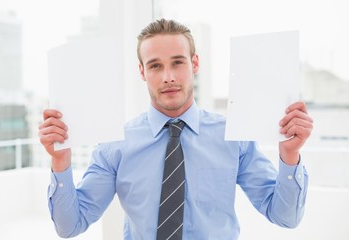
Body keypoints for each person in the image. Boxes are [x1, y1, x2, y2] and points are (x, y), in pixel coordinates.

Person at [39, 18, 313, 239]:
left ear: (194, 64)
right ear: (142, 72)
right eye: (155, 66)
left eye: (177, 62)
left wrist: (289, 156)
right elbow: (70, 226)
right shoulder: (116, 144)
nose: (168, 76)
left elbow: (284, 217)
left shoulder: (233, 137)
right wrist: (60, 159)